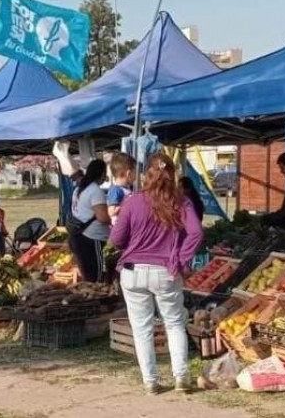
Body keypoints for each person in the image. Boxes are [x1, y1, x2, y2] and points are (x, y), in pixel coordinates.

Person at [109, 153, 204, 395]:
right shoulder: (181, 202)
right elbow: (196, 233)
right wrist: (182, 259)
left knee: (142, 329)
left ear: (146, 175)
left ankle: (150, 381)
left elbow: (116, 239)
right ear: (173, 175)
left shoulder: (132, 201)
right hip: (166, 271)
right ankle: (181, 377)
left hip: (133, 272)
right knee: (174, 324)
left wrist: (134, 241)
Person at [69, 160, 111, 283]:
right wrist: (113, 221)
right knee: (96, 277)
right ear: (101, 173)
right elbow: (102, 217)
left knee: (87, 276)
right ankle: (96, 300)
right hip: (92, 238)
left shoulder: (79, 188)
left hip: (78, 236)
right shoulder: (95, 190)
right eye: (105, 173)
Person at [107, 152, 135, 224]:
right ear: (128, 174)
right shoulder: (116, 190)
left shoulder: (125, 189)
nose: (135, 177)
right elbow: (111, 211)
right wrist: (127, 205)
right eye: (135, 173)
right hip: (120, 225)